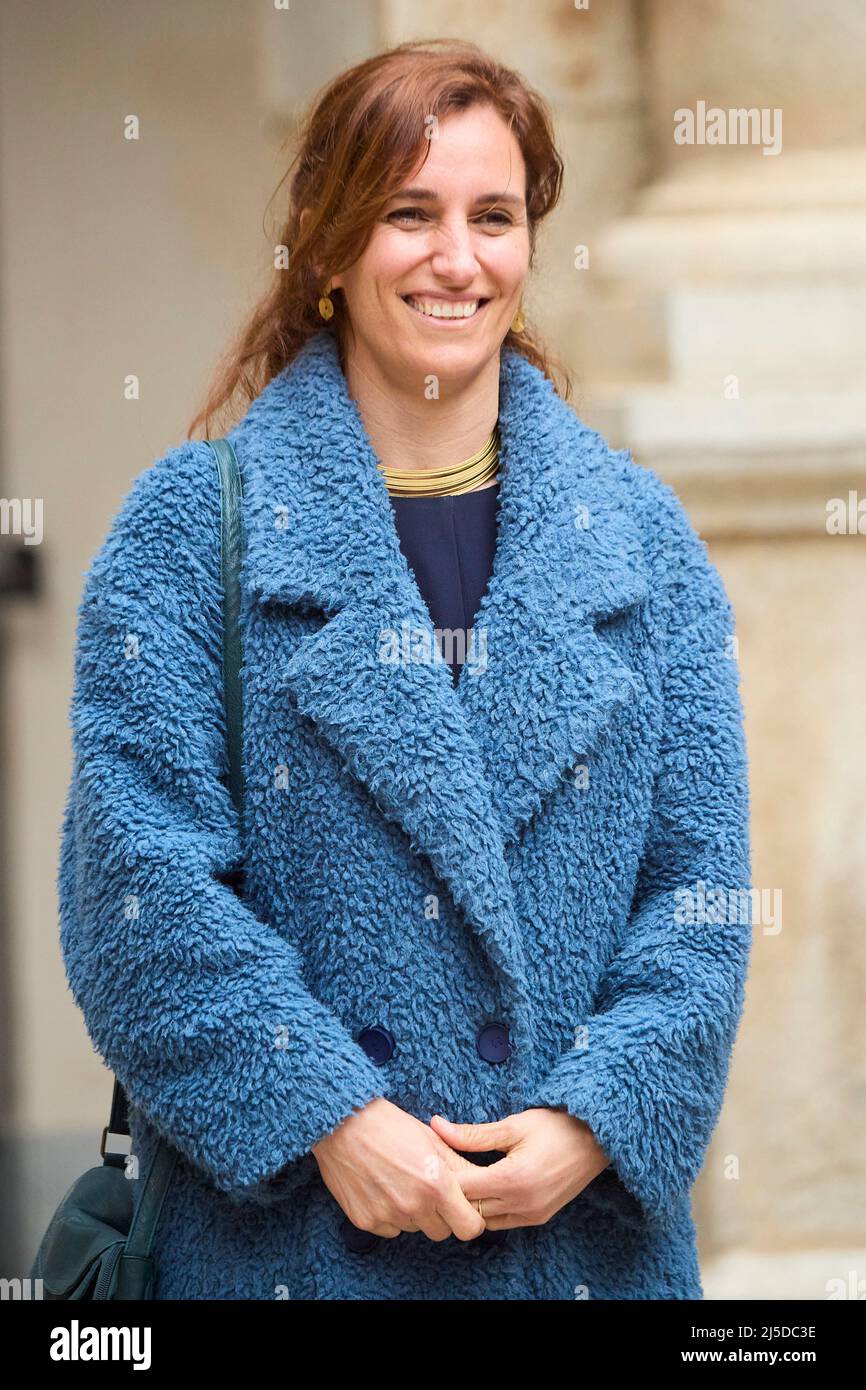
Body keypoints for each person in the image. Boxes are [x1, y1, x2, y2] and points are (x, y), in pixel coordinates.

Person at [58, 38, 752, 1300]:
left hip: (576, 1254)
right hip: (291, 1252)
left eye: (492, 217)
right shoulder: (187, 533)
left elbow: (698, 895)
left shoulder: (642, 543)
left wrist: (591, 1121)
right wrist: (329, 1115)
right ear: (328, 247)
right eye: (407, 214)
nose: (455, 258)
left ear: (527, 250)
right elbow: (134, 896)